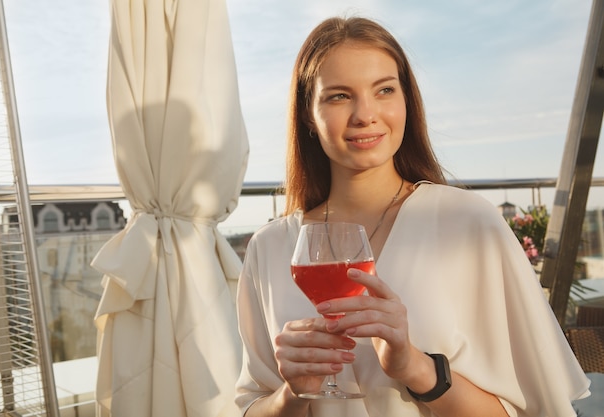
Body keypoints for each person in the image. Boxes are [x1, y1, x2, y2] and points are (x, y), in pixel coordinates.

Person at [235, 16, 590, 417]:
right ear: (306, 114)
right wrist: (292, 394)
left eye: (384, 89)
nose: (365, 115)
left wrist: (416, 368)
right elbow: (251, 406)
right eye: (339, 96)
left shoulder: (470, 225)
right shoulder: (270, 248)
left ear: (407, 100)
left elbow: (534, 412)